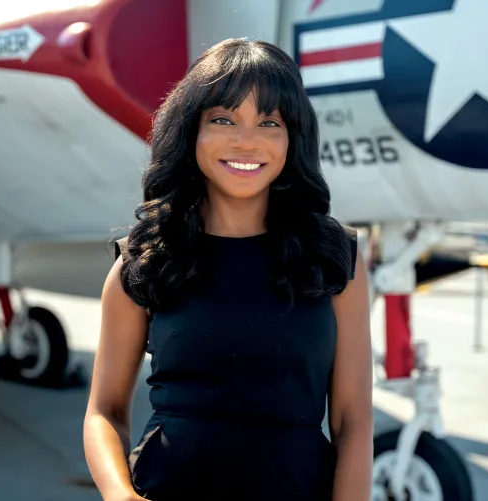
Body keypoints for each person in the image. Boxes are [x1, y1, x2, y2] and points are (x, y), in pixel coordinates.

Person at [83, 38, 373, 501]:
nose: (246, 141)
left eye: (269, 123)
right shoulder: (145, 262)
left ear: (292, 139)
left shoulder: (334, 258)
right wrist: (121, 496)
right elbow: (104, 411)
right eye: (223, 119)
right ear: (190, 131)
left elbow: (353, 421)